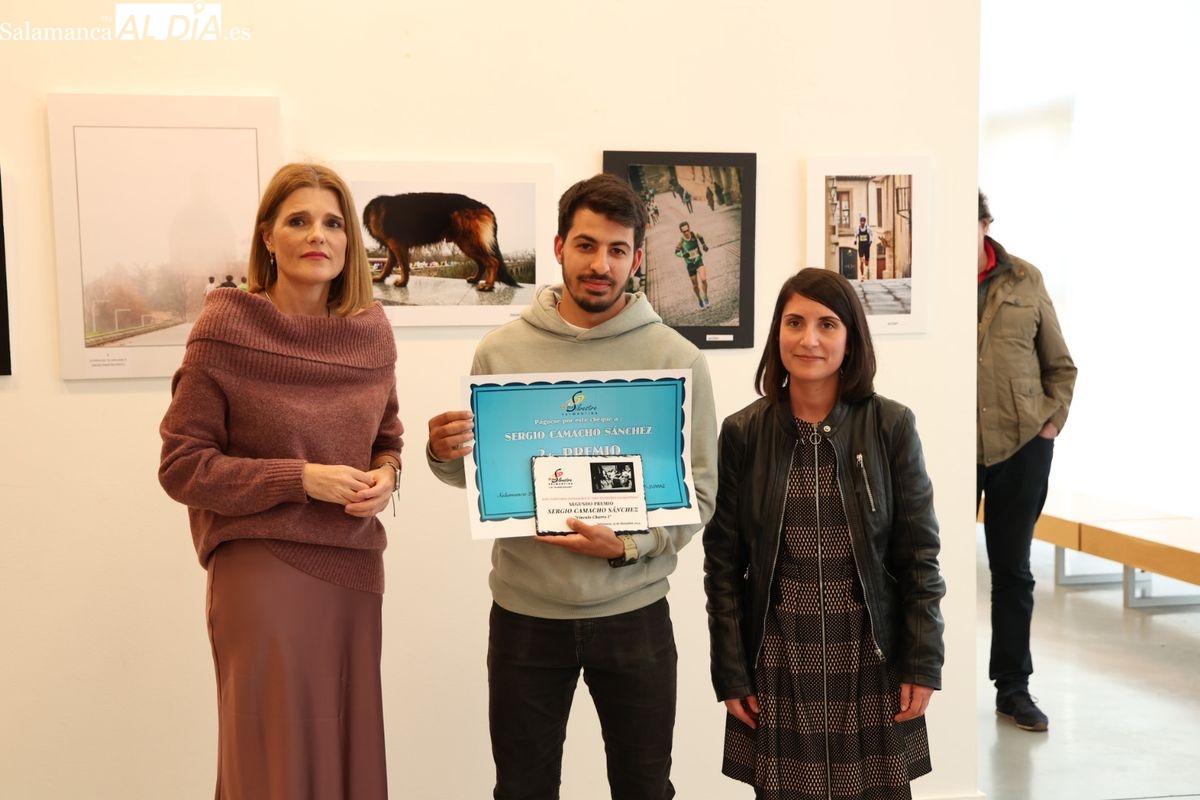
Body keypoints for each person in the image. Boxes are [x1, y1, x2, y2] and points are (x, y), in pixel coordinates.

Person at [427, 173, 718, 800]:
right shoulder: (501, 352)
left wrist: (629, 546)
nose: (600, 264)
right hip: (526, 616)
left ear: (636, 259)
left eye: (617, 249)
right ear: (559, 246)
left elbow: (700, 492)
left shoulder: (676, 359)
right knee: (522, 790)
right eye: (586, 245)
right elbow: (476, 478)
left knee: (645, 789)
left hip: (634, 612)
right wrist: (443, 453)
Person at [159, 163, 403, 800]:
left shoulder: (372, 332)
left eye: (332, 223)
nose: (317, 235)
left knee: (348, 750)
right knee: (273, 759)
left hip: (354, 573)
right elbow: (182, 464)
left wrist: (387, 476)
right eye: (298, 220)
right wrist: (300, 479)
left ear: (349, 241)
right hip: (262, 571)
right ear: (268, 236)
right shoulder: (226, 328)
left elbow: (388, 438)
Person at [704, 268, 945, 799]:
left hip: (869, 654)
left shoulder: (890, 425)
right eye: (794, 322)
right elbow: (722, 565)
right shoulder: (743, 432)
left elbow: (919, 556)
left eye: (827, 324)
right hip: (779, 658)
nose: (808, 339)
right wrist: (732, 672)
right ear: (777, 333)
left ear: (851, 339)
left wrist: (923, 661)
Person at [976, 190, 1076, 733]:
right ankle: (924, 684)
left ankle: (1012, 689)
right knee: (927, 568)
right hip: (950, 447)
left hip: (1021, 447)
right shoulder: (931, 281)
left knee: (1012, 572)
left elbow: (1060, 364)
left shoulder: (1025, 279)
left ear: (986, 223)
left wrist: (1049, 427)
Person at [674, 220, 711, 308]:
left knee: (703, 279)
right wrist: (683, 255)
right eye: (684, 231)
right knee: (695, 285)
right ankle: (699, 299)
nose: (686, 232)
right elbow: (676, 252)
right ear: (681, 232)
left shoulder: (694, 234)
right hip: (690, 265)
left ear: (689, 228)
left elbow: (701, 238)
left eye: (687, 230)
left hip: (698, 261)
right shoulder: (680, 241)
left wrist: (704, 245)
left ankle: (705, 297)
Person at [854, 215, 873, 281]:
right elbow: (855, 236)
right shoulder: (857, 229)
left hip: (867, 246)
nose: (862, 222)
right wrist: (855, 241)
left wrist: (871, 241)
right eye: (861, 221)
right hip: (861, 246)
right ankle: (862, 276)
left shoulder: (868, 229)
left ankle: (865, 260)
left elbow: (871, 235)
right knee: (861, 261)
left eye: (863, 221)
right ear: (860, 222)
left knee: (866, 264)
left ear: (865, 222)